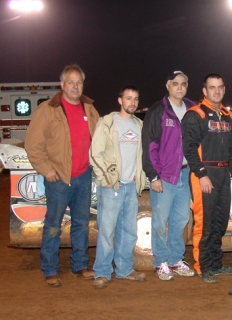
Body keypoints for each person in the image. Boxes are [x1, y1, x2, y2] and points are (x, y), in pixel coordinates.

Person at [25, 64, 100, 287]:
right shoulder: (48, 109)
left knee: (82, 224)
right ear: (62, 85)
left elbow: (101, 137)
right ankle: (50, 269)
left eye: (79, 82)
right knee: (53, 225)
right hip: (58, 179)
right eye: (71, 82)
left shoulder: (90, 109)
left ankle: (80, 265)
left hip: (83, 176)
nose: (75, 86)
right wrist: (46, 169)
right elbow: (33, 145)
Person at [181, 74, 232, 283]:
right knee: (204, 223)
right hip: (204, 174)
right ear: (205, 91)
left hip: (223, 174)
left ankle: (215, 263)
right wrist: (201, 174)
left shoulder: (228, 116)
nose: (216, 91)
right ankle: (202, 266)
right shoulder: (195, 114)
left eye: (220, 87)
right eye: (212, 87)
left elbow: (231, 149)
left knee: (219, 222)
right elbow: (189, 149)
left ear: (224, 89)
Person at [90, 86, 147, 289]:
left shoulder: (140, 125)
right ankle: (102, 272)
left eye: (136, 99)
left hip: (130, 186)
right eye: (129, 98)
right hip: (111, 186)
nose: (132, 102)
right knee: (107, 231)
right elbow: (95, 153)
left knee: (129, 230)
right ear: (120, 100)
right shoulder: (107, 123)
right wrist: (105, 177)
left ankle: (124, 269)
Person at [142, 71, 195, 281]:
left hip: (185, 174)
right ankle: (160, 261)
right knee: (160, 220)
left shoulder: (193, 109)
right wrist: (153, 176)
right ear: (168, 86)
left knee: (181, 219)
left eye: (183, 84)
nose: (179, 87)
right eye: (175, 84)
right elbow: (149, 146)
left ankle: (175, 259)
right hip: (164, 176)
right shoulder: (158, 110)